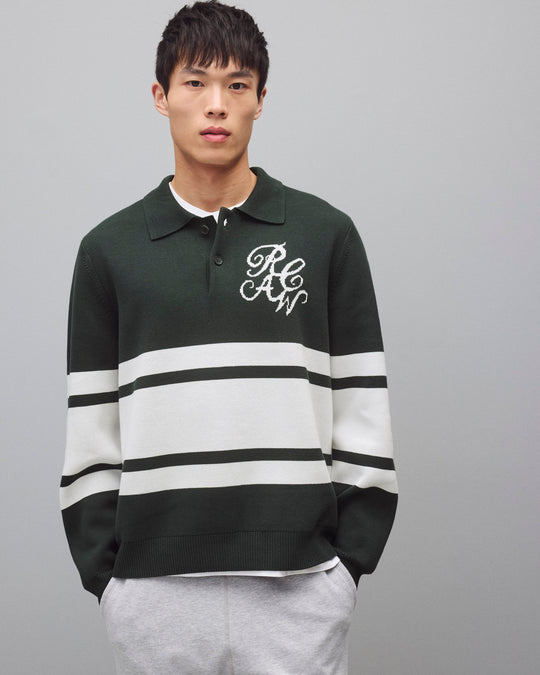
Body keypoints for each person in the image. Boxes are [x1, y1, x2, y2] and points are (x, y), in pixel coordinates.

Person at [60, 1, 398, 673]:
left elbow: (362, 407)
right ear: (161, 96)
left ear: (260, 100)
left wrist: (345, 569)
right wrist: (110, 580)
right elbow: (91, 425)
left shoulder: (325, 235)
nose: (216, 104)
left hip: (300, 587)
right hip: (153, 592)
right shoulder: (109, 251)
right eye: (195, 82)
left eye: (237, 84)